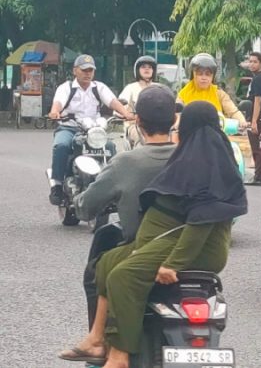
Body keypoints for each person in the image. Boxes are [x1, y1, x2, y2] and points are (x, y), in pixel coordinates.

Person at [58, 101, 247, 368]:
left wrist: (173, 263)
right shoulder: (195, 155)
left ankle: (120, 355)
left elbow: (202, 221)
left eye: (183, 126)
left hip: (192, 249)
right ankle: (97, 339)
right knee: (106, 263)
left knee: (123, 277)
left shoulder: (207, 162)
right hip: (172, 240)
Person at [73, 85, 178, 332]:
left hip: (140, 251)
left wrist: (80, 202)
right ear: (174, 119)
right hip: (191, 251)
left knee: (94, 274)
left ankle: (98, 341)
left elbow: (87, 208)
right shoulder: (191, 157)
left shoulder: (125, 162)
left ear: (138, 120)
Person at [47, 54, 134, 205]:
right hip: (70, 127)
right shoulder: (66, 87)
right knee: (61, 146)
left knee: (110, 147)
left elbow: (112, 101)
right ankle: (57, 185)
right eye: (84, 70)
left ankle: (113, 185)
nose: (88, 73)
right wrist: (55, 112)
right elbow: (58, 103)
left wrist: (126, 113)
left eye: (90, 70)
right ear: (75, 71)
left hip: (93, 131)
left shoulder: (99, 87)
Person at [177, 53, 246, 127]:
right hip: (190, 134)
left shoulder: (219, 93)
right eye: (200, 74)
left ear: (212, 76)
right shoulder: (183, 94)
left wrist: (242, 122)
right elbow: (177, 115)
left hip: (215, 133)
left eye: (208, 74)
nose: (204, 78)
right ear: (193, 74)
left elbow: (233, 112)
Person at [119, 56, 158, 146]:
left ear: (154, 71)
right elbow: (120, 107)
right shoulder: (130, 88)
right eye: (143, 67)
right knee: (140, 138)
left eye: (150, 67)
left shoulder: (159, 88)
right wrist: (124, 114)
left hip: (158, 126)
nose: (147, 69)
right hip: (136, 125)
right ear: (137, 70)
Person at [244, 51, 261, 184]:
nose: (252, 64)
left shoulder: (259, 78)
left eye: (255, 62)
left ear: (260, 64)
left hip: (258, 118)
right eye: (250, 61)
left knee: (257, 147)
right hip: (254, 117)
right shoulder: (256, 78)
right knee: (257, 147)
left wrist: (254, 121)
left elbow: (258, 100)